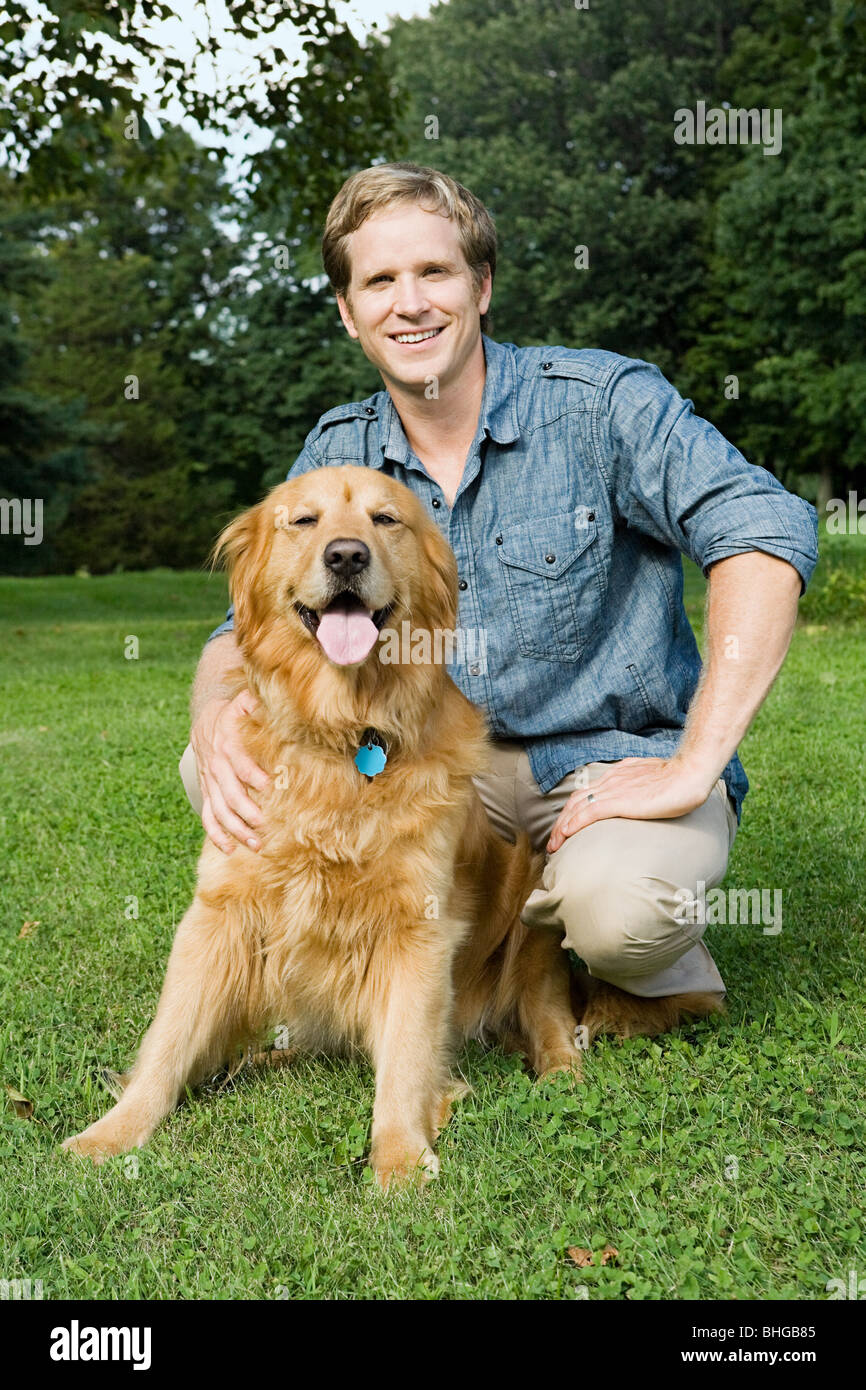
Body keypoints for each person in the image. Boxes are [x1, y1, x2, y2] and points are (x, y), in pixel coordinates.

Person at [179, 162, 818, 1008]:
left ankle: (617, 950)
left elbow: (765, 533)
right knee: (216, 760)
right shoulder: (337, 454)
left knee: (618, 911)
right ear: (348, 312)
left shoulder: (601, 404)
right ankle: (435, 958)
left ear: (482, 285)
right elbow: (246, 627)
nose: (409, 303)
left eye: (434, 272)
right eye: (379, 281)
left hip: (602, 768)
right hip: (436, 772)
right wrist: (213, 716)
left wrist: (693, 765)